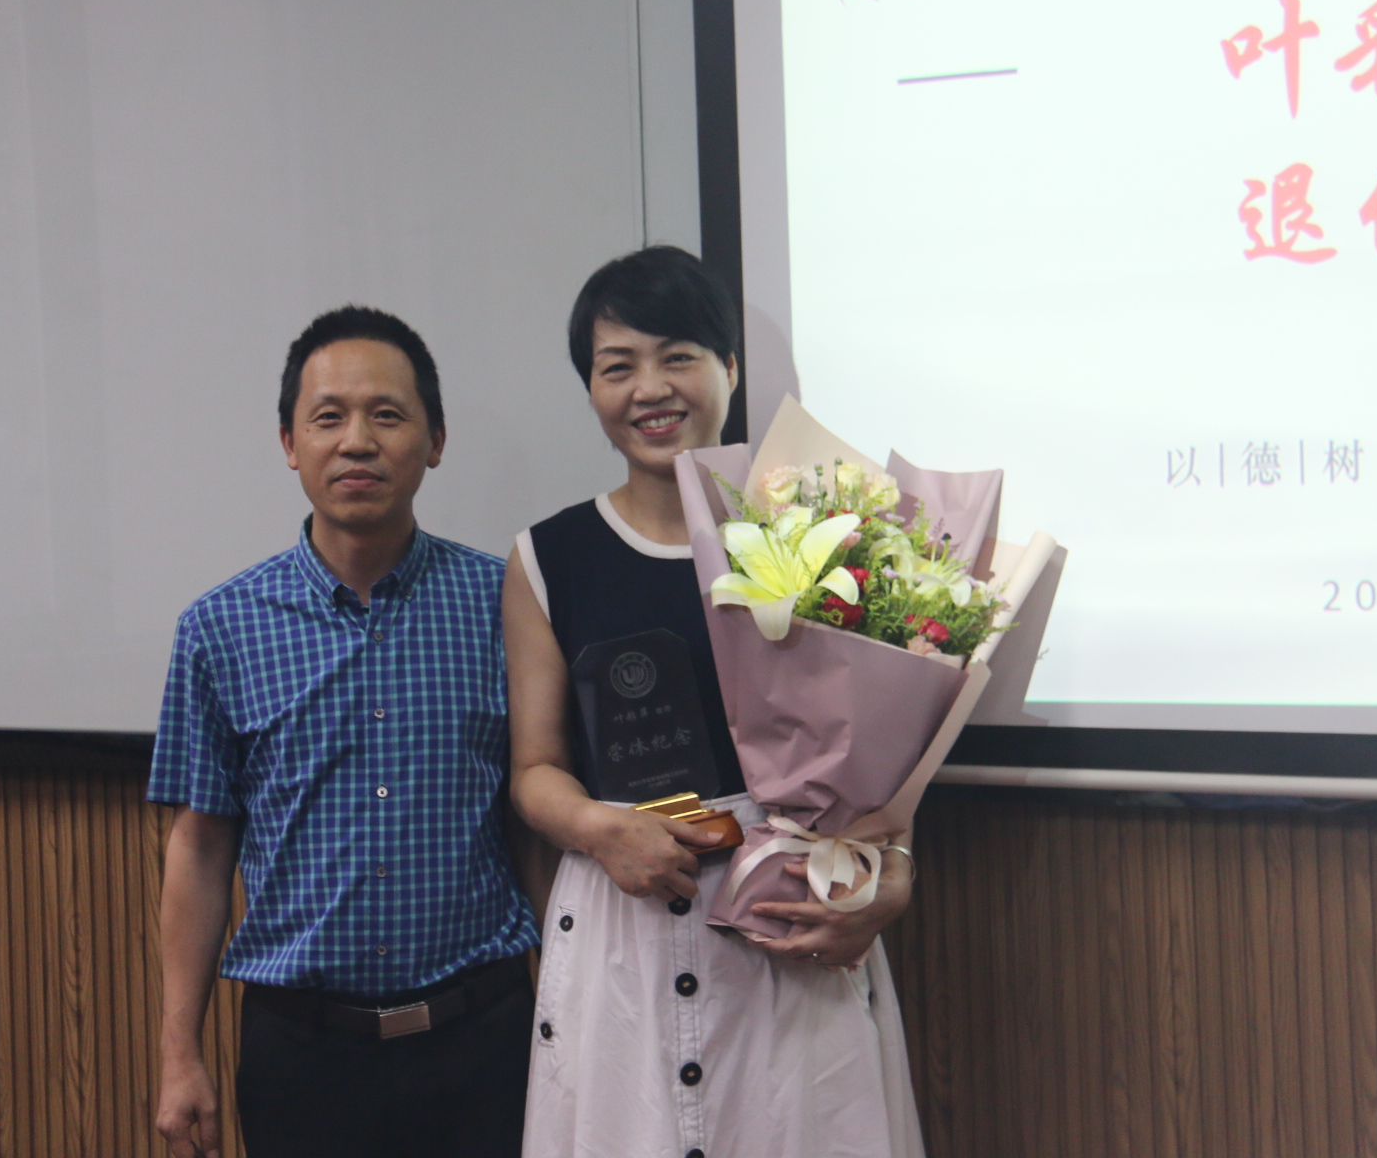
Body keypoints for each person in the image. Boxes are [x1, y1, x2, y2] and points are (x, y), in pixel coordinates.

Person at [506, 246, 925, 1158]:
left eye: (679, 356)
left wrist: (893, 868)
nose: (651, 389)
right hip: (626, 925)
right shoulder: (549, 557)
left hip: (791, 919)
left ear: (730, 368)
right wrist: (599, 828)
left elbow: (883, 758)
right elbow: (534, 769)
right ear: (590, 389)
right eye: (618, 366)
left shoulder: (814, 535)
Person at [150, 306, 539, 1158]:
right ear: (290, 443)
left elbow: (535, 820)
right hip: (303, 1057)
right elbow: (201, 846)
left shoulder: (505, 604)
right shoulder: (221, 628)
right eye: (328, 417)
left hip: (484, 1040)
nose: (357, 442)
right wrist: (180, 1055)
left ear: (436, 440)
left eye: (387, 415)